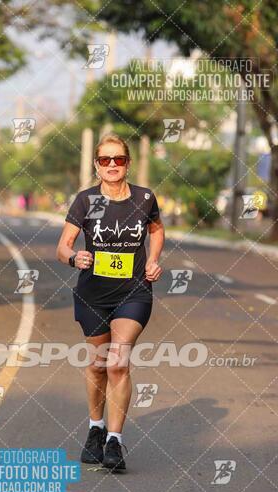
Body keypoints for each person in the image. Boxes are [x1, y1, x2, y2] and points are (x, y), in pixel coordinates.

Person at [56, 134, 164, 471]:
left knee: (118, 362)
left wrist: (154, 259)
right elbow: (62, 247)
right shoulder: (86, 201)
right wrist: (75, 259)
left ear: (128, 163)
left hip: (133, 292)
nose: (113, 165)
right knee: (98, 364)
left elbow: (156, 230)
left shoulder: (144, 198)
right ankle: (95, 429)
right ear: (97, 165)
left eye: (118, 159)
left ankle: (115, 442)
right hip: (93, 294)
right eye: (106, 160)